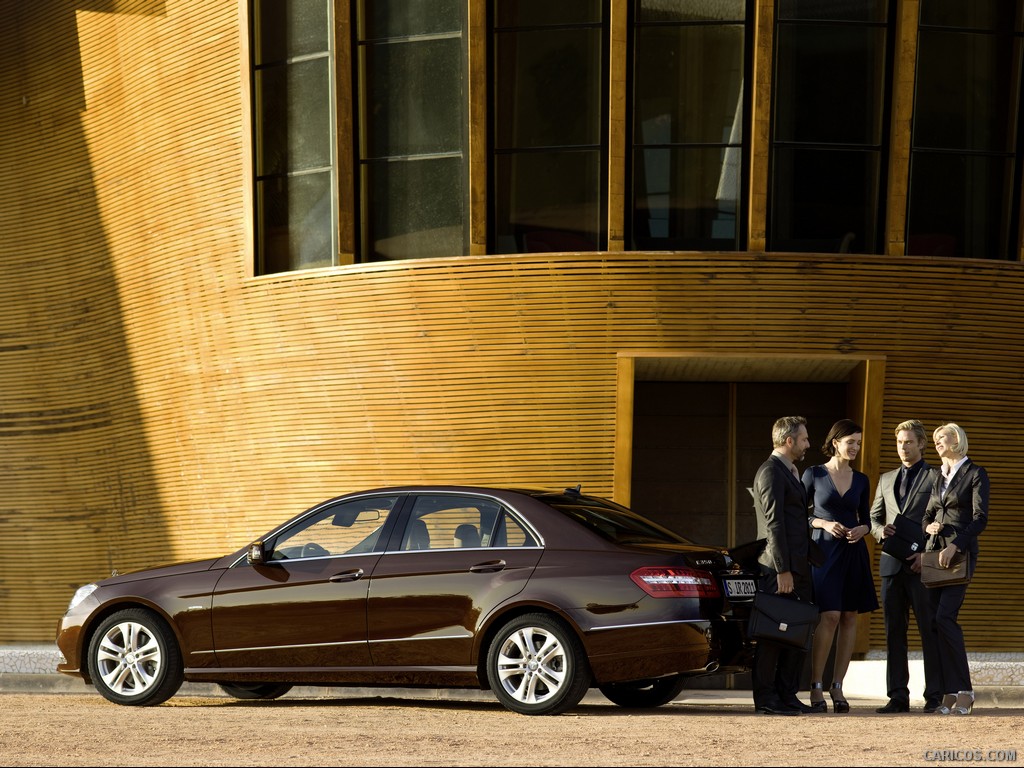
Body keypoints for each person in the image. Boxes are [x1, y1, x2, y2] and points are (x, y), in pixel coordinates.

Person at [802, 419, 878, 713]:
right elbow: (800, 515)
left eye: (858, 443)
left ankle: (838, 686)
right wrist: (822, 522)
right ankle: (816, 685)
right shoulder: (814, 474)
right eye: (851, 442)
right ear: (835, 442)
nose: (856, 448)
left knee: (849, 617)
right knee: (830, 615)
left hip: (853, 553)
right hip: (824, 553)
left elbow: (867, 519)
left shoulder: (861, 480)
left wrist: (864, 529)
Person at [869, 419, 942, 713]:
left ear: (922, 444)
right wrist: (878, 531)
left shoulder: (936, 477)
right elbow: (873, 517)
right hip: (890, 566)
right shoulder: (886, 479)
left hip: (921, 566)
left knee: (929, 630)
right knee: (893, 633)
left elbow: (942, 520)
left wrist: (926, 554)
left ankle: (935, 695)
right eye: (900, 442)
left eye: (909, 442)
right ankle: (897, 695)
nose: (903, 447)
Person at [750, 415, 815, 715]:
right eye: (803, 439)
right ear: (789, 441)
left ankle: (787, 695)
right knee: (773, 635)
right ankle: (766, 699)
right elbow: (774, 524)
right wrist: (782, 570)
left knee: (797, 632)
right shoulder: (770, 472)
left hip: (799, 568)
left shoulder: (789, 471)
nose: (807, 444)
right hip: (779, 570)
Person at [923, 423, 988, 716]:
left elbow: (980, 519)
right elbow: (927, 514)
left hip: (958, 554)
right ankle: (949, 691)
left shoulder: (975, 473)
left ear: (957, 440)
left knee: (945, 617)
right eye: (935, 439)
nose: (937, 441)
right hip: (936, 554)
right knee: (936, 623)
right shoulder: (937, 476)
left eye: (942, 437)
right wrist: (929, 526)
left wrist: (956, 545)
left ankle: (965, 690)